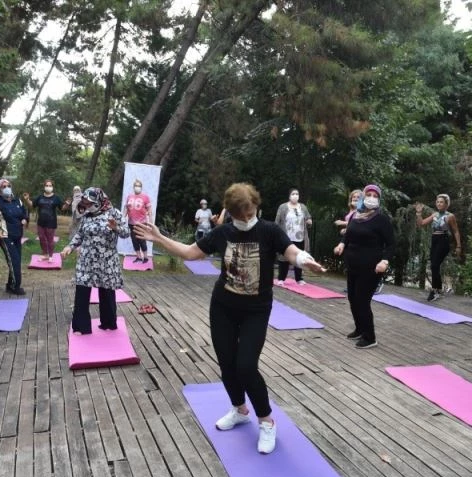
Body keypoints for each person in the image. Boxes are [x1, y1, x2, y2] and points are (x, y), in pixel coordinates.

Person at [134, 183, 326, 454]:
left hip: (256, 310)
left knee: (245, 366)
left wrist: (305, 261)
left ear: (256, 206)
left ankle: (267, 421)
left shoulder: (269, 230)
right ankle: (240, 410)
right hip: (223, 307)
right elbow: (190, 252)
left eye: (250, 213)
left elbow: (290, 251)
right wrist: (159, 238)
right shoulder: (223, 232)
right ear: (231, 212)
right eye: (240, 215)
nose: (246, 219)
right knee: (227, 364)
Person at [334, 184, 395, 349]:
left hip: (371, 267)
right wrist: (341, 244)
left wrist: (385, 261)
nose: (372, 198)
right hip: (353, 265)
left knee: (362, 300)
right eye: (369, 195)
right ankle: (360, 329)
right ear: (363, 197)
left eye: (375, 196)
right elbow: (348, 235)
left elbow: (391, 244)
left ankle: (370, 337)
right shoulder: (356, 215)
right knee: (352, 298)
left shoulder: (381, 219)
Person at [62, 187, 130, 334]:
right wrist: (69, 247)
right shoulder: (86, 216)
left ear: (99, 200)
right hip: (86, 261)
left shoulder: (114, 213)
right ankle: (81, 327)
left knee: (106, 293)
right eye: (85, 203)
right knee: (82, 291)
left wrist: (116, 228)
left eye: (90, 203)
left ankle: (108, 323)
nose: (87, 206)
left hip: (107, 261)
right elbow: (80, 235)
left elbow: (126, 233)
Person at [0, 178, 29, 295]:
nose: (7, 188)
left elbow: (24, 213)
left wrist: (24, 219)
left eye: (8, 185)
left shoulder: (17, 201)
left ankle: (10, 285)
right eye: (4, 186)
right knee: (14, 261)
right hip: (5, 237)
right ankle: (15, 287)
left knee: (15, 261)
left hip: (18, 236)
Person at [415, 194, 462, 301]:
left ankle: (434, 291)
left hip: (443, 241)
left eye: (441, 202)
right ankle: (438, 290)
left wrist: (458, 246)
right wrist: (419, 213)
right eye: (437, 202)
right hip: (434, 240)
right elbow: (421, 224)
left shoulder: (450, 216)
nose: (439, 204)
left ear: (446, 204)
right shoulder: (434, 215)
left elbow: (456, 231)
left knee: (435, 265)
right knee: (434, 266)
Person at [275, 188, 313, 286]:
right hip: (286, 237)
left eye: (297, 194)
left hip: (300, 237)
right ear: (289, 196)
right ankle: (281, 278)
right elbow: (277, 222)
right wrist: (277, 234)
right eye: (293, 194)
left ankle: (299, 279)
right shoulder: (283, 207)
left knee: (299, 258)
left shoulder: (303, 207)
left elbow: (308, 218)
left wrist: (309, 222)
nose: (295, 196)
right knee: (284, 258)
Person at [23, 179, 63, 261]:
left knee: (50, 239)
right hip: (41, 222)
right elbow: (32, 205)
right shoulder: (40, 197)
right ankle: (45, 254)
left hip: (51, 222)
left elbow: (62, 208)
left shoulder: (56, 198)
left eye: (50, 185)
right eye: (47, 185)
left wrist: (67, 204)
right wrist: (27, 200)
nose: (48, 187)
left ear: (52, 187)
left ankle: (50, 256)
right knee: (41, 238)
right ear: (44, 187)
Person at [123, 179, 152, 263]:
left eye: (139, 186)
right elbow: (126, 209)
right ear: (133, 187)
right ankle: (138, 257)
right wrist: (122, 218)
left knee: (142, 240)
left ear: (141, 187)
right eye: (136, 185)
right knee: (134, 240)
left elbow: (150, 211)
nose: (137, 187)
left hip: (141, 223)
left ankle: (145, 257)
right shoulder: (129, 196)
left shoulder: (145, 197)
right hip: (131, 223)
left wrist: (150, 223)